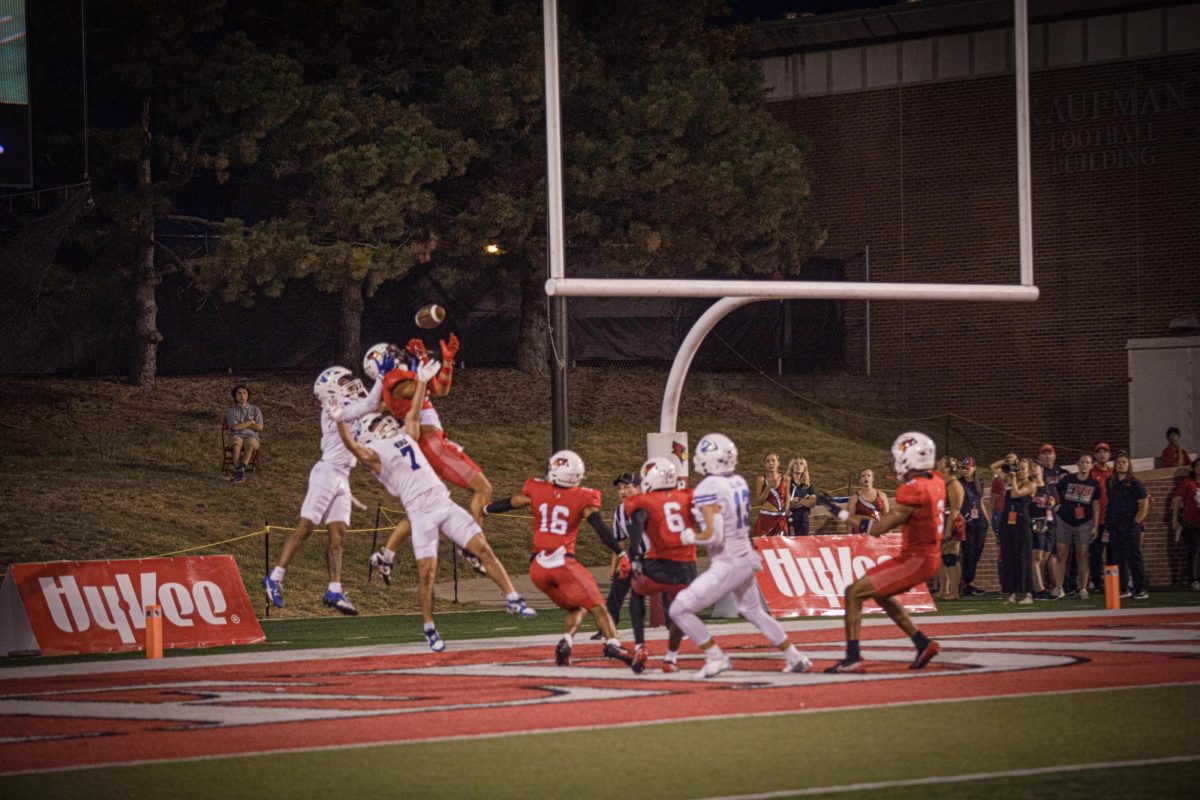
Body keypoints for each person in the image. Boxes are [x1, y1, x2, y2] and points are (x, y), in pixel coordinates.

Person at [333, 358, 537, 652]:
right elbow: (355, 448)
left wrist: (423, 383)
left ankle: (512, 598)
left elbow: (414, 414)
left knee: (483, 549)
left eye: (385, 420)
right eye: (380, 422)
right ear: (370, 431)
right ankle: (429, 626)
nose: (387, 422)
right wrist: (341, 421)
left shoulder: (405, 437)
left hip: (445, 503)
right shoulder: (374, 453)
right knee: (427, 573)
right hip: (421, 515)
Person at [668, 433, 812, 678]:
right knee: (753, 611)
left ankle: (716, 656)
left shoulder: (708, 487)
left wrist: (689, 537)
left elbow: (714, 535)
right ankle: (795, 656)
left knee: (679, 609)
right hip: (746, 555)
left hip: (728, 561)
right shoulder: (738, 482)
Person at [484, 450, 635, 669]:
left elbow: (511, 502)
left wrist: (485, 509)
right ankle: (612, 643)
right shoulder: (583, 497)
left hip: (537, 569)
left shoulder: (537, 490)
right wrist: (621, 553)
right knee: (599, 606)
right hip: (563, 563)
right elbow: (600, 529)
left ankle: (566, 641)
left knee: (578, 608)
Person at [363, 337, 490, 582]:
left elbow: (441, 388)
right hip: (430, 443)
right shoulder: (394, 380)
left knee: (422, 508)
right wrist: (422, 363)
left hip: (427, 444)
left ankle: (386, 554)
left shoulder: (399, 380)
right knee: (482, 488)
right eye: (392, 354)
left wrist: (448, 361)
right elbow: (428, 387)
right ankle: (472, 547)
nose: (398, 354)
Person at [262, 367, 381, 616]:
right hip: (326, 473)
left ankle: (334, 589)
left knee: (338, 538)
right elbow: (371, 405)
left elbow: (374, 410)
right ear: (331, 390)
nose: (351, 385)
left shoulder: (352, 405)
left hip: (343, 477)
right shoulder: (333, 408)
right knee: (306, 527)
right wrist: (383, 377)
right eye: (344, 382)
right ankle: (274, 578)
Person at [825, 432, 945, 673]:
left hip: (916, 559)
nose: (897, 461)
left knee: (853, 593)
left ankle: (852, 658)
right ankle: (922, 644)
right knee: (880, 594)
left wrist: (840, 513)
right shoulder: (936, 480)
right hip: (925, 555)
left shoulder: (915, 489)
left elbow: (878, 529)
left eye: (901, 456)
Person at [624, 457, 698, 673]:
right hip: (688, 568)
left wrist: (635, 556)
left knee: (636, 591)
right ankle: (671, 658)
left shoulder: (644, 502)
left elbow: (637, 524)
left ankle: (640, 646)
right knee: (679, 613)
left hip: (661, 566)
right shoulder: (687, 495)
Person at [589, 471, 639, 641]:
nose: (622, 491)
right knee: (616, 592)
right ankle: (607, 629)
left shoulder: (649, 505)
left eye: (627, 487)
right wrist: (614, 567)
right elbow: (619, 542)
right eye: (620, 488)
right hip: (635, 553)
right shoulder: (619, 512)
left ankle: (679, 626)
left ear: (638, 488)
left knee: (666, 589)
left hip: (655, 552)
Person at [1054, 453, 1102, 599]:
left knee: (1083, 556)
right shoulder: (1068, 480)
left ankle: (1083, 588)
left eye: (1088, 462)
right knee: (1061, 555)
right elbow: (1056, 492)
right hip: (1064, 520)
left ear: (1092, 465)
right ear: (1077, 464)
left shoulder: (1094, 484)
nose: (1084, 465)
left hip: (1084, 522)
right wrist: (1057, 505)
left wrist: (1095, 525)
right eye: (1082, 462)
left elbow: (1096, 505)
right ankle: (1058, 587)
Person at [1105, 451, 1150, 600]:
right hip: (1115, 526)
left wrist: (1136, 522)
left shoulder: (1136, 483)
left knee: (1134, 557)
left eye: (1124, 462)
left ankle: (1141, 589)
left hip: (1130, 525)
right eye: (1118, 462)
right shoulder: (1110, 483)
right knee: (1118, 558)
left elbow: (1144, 504)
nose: (1121, 465)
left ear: (1129, 465)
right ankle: (1124, 589)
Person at [994, 456, 1036, 604]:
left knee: (1023, 558)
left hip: (1021, 524)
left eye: (1023, 469)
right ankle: (1011, 593)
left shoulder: (1031, 484)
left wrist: (1012, 479)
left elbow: (1016, 494)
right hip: (1007, 522)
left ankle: (1027, 594)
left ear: (1029, 471)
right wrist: (1007, 461)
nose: (1020, 472)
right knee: (1008, 558)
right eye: (1019, 468)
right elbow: (993, 468)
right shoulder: (1010, 479)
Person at [934, 456, 965, 600]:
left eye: (941, 463)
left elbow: (955, 509)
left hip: (953, 522)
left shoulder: (954, 484)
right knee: (941, 557)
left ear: (947, 468)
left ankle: (954, 591)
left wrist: (947, 529)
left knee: (951, 556)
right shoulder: (942, 482)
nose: (937, 464)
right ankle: (943, 590)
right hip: (942, 520)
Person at [958, 456, 989, 596]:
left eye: (967, 468)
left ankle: (969, 582)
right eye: (963, 468)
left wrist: (987, 520)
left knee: (976, 553)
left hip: (980, 521)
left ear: (974, 468)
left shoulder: (979, 483)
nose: (965, 471)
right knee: (968, 553)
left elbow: (980, 501)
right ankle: (967, 583)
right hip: (967, 521)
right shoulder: (958, 483)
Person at [1088, 443, 1115, 592]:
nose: (1102, 455)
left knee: (1112, 552)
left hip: (1111, 520)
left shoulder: (1113, 473)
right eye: (1099, 452)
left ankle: (1112, 582)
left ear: (1109, 455)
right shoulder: (1092, 473)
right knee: (1096, 552)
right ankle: (1096, 581)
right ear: (1095, 455)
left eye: (1105, 452)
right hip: (1096, 520)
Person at [1171, 457, 1200, 591]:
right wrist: (1175, 519)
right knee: (1193, 552)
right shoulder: (1188, 483)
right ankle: (1193, 580)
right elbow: (1177, 500)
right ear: (1193, 468)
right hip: (1191, 522)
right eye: (1198, 466)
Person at [1028, 461, 1056, 600]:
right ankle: (1039, 589)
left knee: (1045, 556)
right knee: (1037, 557)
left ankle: (1035, 585)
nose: (1033, 469)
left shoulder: (1049, 487)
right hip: (1036, 521)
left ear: (1042, 468)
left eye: (1035, 466)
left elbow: (1056, 503)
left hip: (1049, 523)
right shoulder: (1030, 486)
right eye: (1031, 467)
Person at [226, 384, 263, 484]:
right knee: (236, 445)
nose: (242, 396)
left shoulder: (255, 409)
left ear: (247, 395)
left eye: (244, 393)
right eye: (239, 393)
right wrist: (250, 422)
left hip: (252, 435)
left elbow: (259, 427)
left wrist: (241, 425)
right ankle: (239, 470)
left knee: (250, 444)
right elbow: (234, 427)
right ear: (235, 396)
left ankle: (240, 470)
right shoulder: (231, 410)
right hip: (236, 435)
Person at [752, 452, 790, 537]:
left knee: (781, 545)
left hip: (780, 518)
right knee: (762, 546)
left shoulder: (786, 479)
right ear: (764, 464)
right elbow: (759, 501)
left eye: (773, 460)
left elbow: (787, 498)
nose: (771, 463)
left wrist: (786, 511)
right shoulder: (761, 479)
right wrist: (768, 487)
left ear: (778, 463)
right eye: (768, 461)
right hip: (766, 518)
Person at [786, 456, 816, 535]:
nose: (798, 465)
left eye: (801, 464)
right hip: (788, 520)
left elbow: (813, 503)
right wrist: (805, 502)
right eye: (796, 463)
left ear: (805, 468)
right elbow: (786, 502)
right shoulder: (786, 483)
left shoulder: (808, 485)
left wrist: (799, 500)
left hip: (803, 521)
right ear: (792, 467)